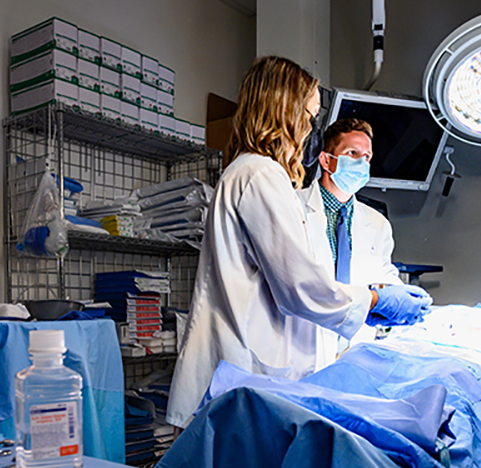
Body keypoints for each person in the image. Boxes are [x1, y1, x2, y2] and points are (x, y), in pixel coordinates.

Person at [166, 56, 432, 427]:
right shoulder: (259, 175)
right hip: (244, 372)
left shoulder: (253, 174)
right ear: (284, 113)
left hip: (258, 369)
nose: (309, 129)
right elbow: (300, 288)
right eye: (308, 117)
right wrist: (375, 299)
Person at [299, 117, 407, 369]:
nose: (361, 163)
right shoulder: (293, 207)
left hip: (355, 352)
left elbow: (384, 275)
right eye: (352, 153)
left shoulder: (377, 224)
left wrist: (397, 297)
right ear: (326, 160)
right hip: (302, 347)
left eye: (366, 157)